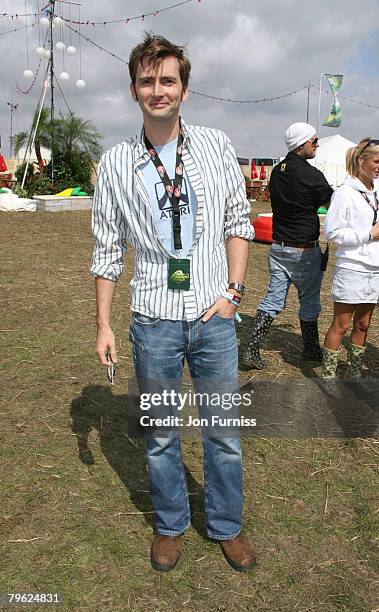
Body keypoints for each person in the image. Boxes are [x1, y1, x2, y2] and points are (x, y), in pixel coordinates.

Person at [91, 33, 255, 572]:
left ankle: (227, 525)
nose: (157, 90)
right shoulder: (115, 163)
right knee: (162, 433)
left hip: (214, 317)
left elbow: (237, 221)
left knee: (224, 433)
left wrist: (233, 293)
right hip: (153, 320)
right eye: (147, 81)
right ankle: (169, 525)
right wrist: (104, 326)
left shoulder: (215, 144)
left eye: (167, 80)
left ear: (184, 88)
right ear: (134, 90)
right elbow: (108, 248)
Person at [240, 122, 333, 369]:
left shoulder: (277, 171)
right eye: (314, 141)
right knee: (310, 301)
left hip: (279, 246)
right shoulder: (312, 175)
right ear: (301, 144)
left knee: (273, 299)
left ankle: (251, 348)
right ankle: (311, 349)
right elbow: (331, 201)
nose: (317, 145)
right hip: (304, 249)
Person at [322, 138, 379, 379]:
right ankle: (327, 377)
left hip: (374, 268)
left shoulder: (376, 191)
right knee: (342, 325)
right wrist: (368, 235)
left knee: (363, 325)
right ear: (361, 160)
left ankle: (354, 375)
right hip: (352, 268)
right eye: (376, 161)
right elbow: (332, 232)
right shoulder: (344, 193)